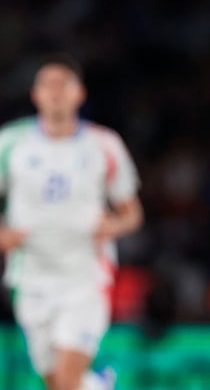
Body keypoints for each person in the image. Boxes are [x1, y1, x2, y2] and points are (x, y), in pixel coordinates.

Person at [0, 53, 143, 390]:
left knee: (65, 381)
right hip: (30, 275)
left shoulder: (103, 144)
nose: (56, 91)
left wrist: (113, 226)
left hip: (84, 277)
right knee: (57, 382)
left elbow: (132, 214)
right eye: (47, 84)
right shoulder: (10, 143)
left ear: (80, 94)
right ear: (35, 94)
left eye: (64, 83)